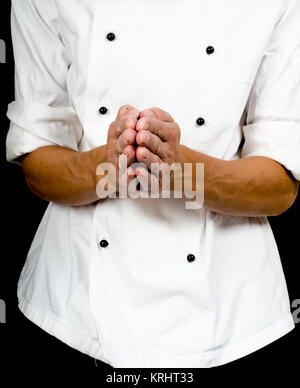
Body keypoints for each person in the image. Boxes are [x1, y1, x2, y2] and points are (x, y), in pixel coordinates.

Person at [5, 0, 300, 368]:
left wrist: (182, 172)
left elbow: (280, 185)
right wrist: (109, 165)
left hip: (227, 315)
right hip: (74, 306)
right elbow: (38, 163)